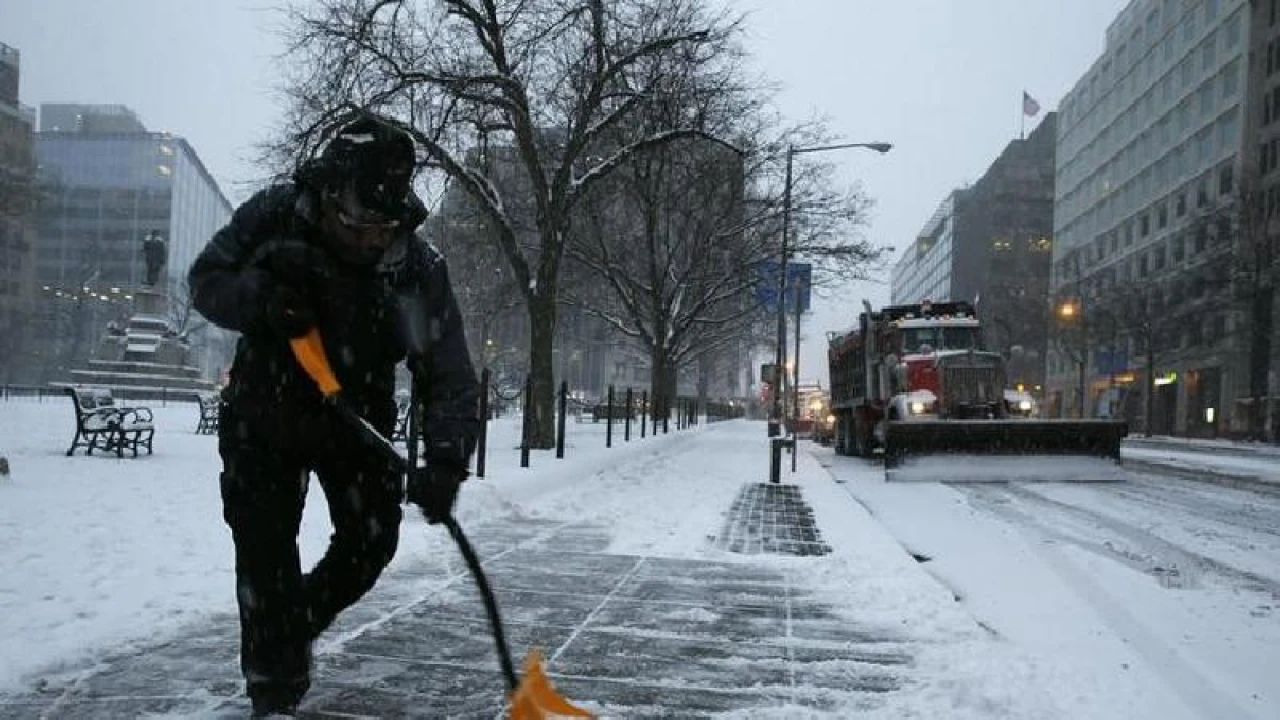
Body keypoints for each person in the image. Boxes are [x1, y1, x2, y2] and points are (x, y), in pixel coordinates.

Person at [188, 112, 480, 717]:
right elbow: (207, 280)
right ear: (329, 192)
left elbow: (447, 372)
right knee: (265, 550)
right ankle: (274, 687)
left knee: (369, 544)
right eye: (358, 222)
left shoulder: (414, 268)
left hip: (358, 420)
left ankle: (289, 631)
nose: (372, 237)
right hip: (262, 412)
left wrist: (446, 462)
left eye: (384, 224)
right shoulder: (274, 217)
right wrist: (263, 302)